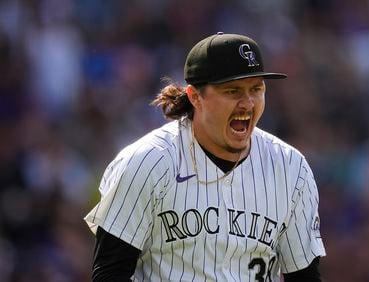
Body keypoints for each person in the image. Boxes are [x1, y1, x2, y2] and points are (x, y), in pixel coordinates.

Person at [84, 32, 326, 281]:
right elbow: (110, 273)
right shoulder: (148, 162)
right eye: (233, 91)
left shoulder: (290, 168)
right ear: (195, 96)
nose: (248, 103)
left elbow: (305, 277)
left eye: (256, 89)